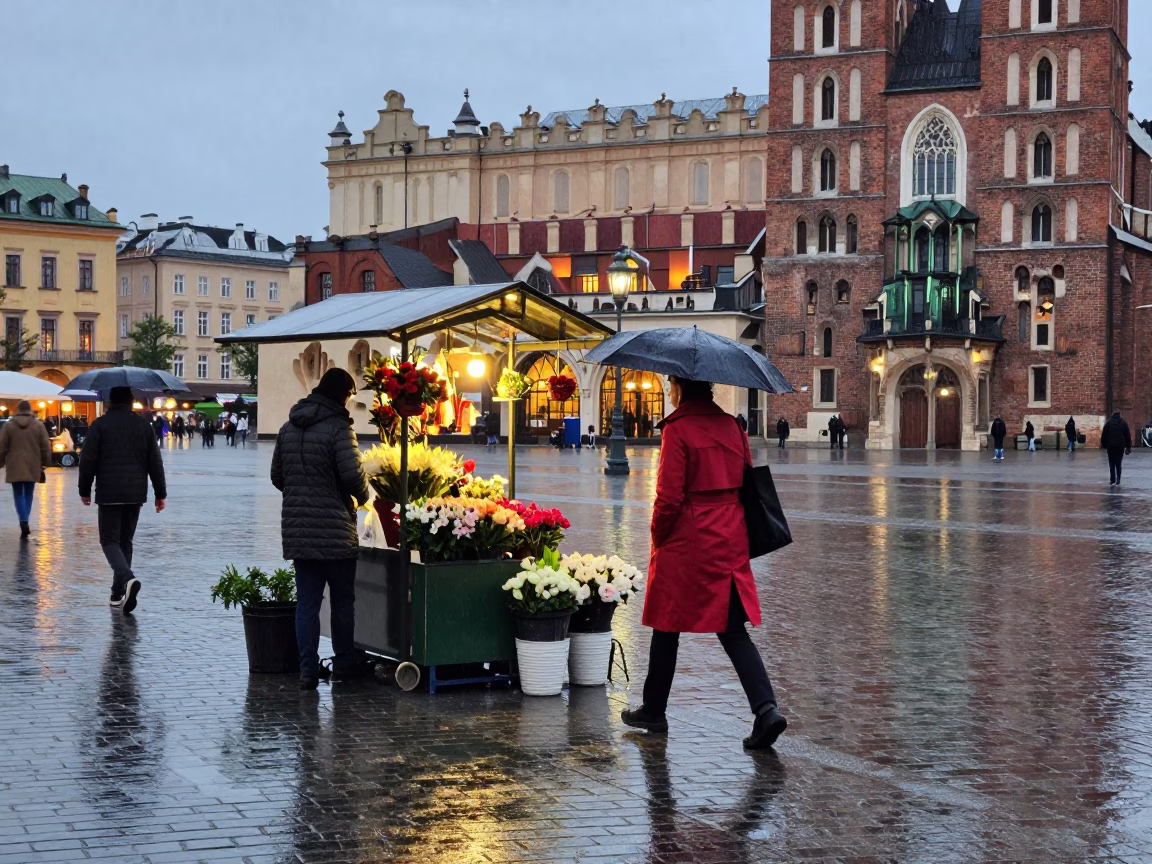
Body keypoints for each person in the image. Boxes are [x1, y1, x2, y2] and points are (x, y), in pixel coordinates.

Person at [621, 376, 787, 750]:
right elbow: (747, 479)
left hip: (687, 537)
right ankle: (766, 710)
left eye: (669, 383)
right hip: (729, 533)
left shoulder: (677, 430)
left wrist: (658, 536)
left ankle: (654, 708)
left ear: (679, 387)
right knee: (733, 630)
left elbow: (668, 497)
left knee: (666, 624)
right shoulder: (732, 426)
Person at [271, 368, 370, 690]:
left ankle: (307, 672)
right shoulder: (339, 429)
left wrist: (301, 492)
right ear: (341, 395)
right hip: (335, 530)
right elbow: (353, 475)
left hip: (299, 531)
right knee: (342, 601)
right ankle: (343, 664)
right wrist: (364, 495)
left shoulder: (288, 427)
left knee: (307, 603)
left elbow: (277, 476)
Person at [78, 386, 167, 614]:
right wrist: (160, 493)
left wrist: (84, 489)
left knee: (109, 541)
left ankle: (127, 577)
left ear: (109, 402)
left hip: (109, 492)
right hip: (136, 492)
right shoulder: (143, 426)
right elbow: (155, 462)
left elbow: (88, 460)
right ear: (130, 402)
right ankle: (118, 593)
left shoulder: (99, 425)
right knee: (125, 541)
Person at [0, 400, 51, 538]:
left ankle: (23, 520)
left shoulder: (9, 425)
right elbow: (45, 445)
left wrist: (0, 461)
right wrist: (46, 462)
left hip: (14, 463)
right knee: (29, 492)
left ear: (18, 410)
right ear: (30, 410)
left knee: (18, 493)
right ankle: (25, 520)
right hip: (33, 463)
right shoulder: (38, 425)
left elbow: (2, 446)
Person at [1100, 411, 1132, 486]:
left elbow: (1104, 435)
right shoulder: (1123, 423)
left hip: (1110, 446)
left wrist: (1104, 445)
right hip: (1120, 446)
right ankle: (1118, 479)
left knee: (1111, 463)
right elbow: (1127, 435)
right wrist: (1128, 446)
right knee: (1118, 463)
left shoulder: (1108, 423)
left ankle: (1112, 479)